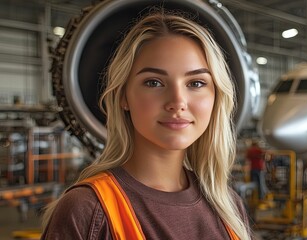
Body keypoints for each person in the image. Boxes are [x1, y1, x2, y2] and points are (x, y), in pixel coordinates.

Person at [41, 10, 252, 240]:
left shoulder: (229, 207)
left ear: (216, 97)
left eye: (196, 83)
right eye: (154, 82)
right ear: (123, 96)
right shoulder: (88, 210)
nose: (177, 102)